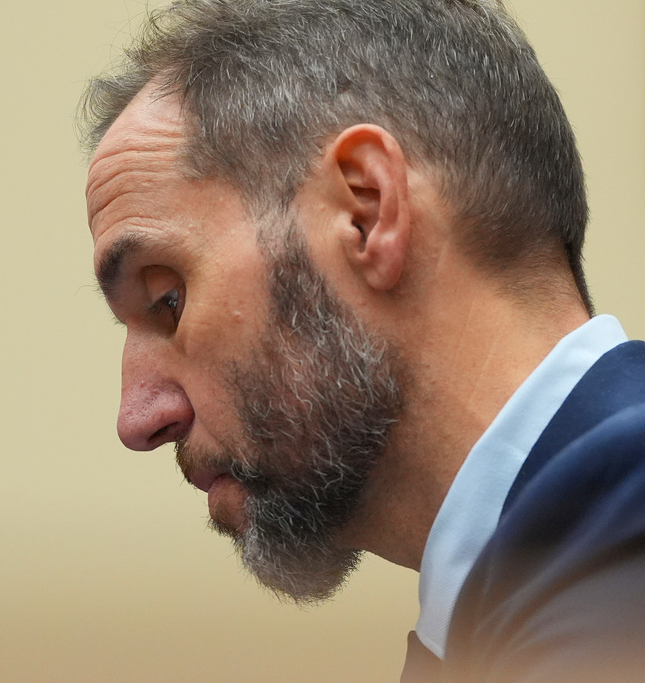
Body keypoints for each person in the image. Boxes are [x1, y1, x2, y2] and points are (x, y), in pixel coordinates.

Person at [78, 0, 645, 680]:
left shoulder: (624, 517)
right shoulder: (540, 580)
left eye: (168, 300)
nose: (138, 418)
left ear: (366, 211)